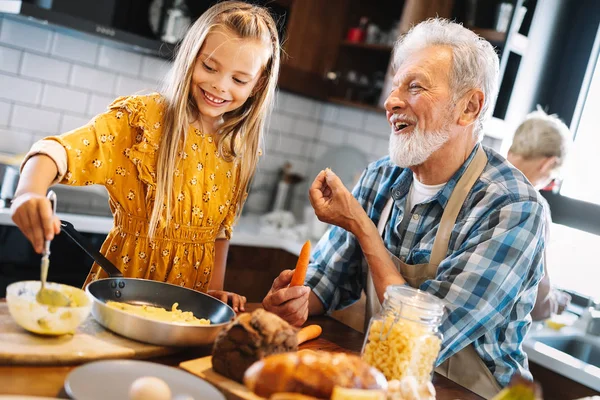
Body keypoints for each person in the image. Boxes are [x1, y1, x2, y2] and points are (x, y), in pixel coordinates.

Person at [263, 19, 546, 397]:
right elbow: (329, 279)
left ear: (469, 107)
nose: (391, 101)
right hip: (386, 387)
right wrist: (297, 300)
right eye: (395, 86)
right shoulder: (381, 177)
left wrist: (363, 228)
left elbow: (422, 337)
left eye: (414, 87)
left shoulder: (512, 207)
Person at [10, 1, 281, 313]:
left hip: (187, 317)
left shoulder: (238, 151)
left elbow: (219, 235)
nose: (220, 85)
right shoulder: (144, 120)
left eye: (239, 80)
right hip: (120, 301)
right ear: (191, 56)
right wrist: (28, 192)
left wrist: (214, 294)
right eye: (209, 67)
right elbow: (58, 151)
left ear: (258, 83)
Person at [507, 107, 572, 320]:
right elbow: (536, 299)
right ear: (548, 163)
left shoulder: (477, 176)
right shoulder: (536, 206)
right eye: (553, 177)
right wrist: (556, 302)